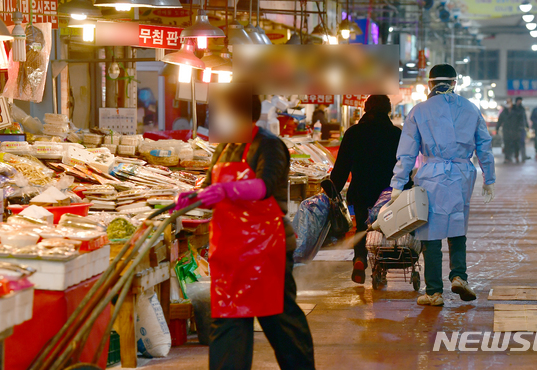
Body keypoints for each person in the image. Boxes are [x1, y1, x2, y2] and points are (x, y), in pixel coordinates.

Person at [176, 95, 315, 370]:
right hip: (229, 250)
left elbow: (265, 186)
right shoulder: (225, 146)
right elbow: (209, 186)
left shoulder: (269, 145)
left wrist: (227, 190)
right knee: (228, 323)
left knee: (279, 320)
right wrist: (194, 196)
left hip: (266, 249)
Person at [390, 64, 496, 306]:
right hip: (462, 173)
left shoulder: (419, 111)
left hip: (431, 175)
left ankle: (434, 292)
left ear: (429, 84)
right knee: (457, 225)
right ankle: (459, 276)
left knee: (430, 232)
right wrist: (489, 179)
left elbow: (406, 152)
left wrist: (398, 184)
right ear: (454, 83)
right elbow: (484, 146)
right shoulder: (471, 109)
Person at [330, 95, 403, 284]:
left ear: (366, 108)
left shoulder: (354, 132)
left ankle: (360, 258)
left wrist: (333, 189)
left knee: (362, 226)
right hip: (388, 192)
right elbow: (404, 164)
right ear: (388, 110)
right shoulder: (396, 134)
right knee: (386, 228)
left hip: (361, 190)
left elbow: (342, 166)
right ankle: (380, 266)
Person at [496, 98, 516, 164]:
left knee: (512, 144)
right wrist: (497, 129)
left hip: (514, 131)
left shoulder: (515, 111)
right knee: (506, 144)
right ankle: (507, 158)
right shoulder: (503, 112)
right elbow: (499, 121)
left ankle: (511, 156)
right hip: (506, 131)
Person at [511, 97, 531, 162]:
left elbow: (524, 118)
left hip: (522, 128)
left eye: (520, 101)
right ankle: (516, 157)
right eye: (518, 101)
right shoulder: (513, 108)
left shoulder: (522, 109)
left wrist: (527, 126)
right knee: (516, 143)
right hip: (515, 129)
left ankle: (523, 156)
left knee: (522, 143)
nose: (519, 102)